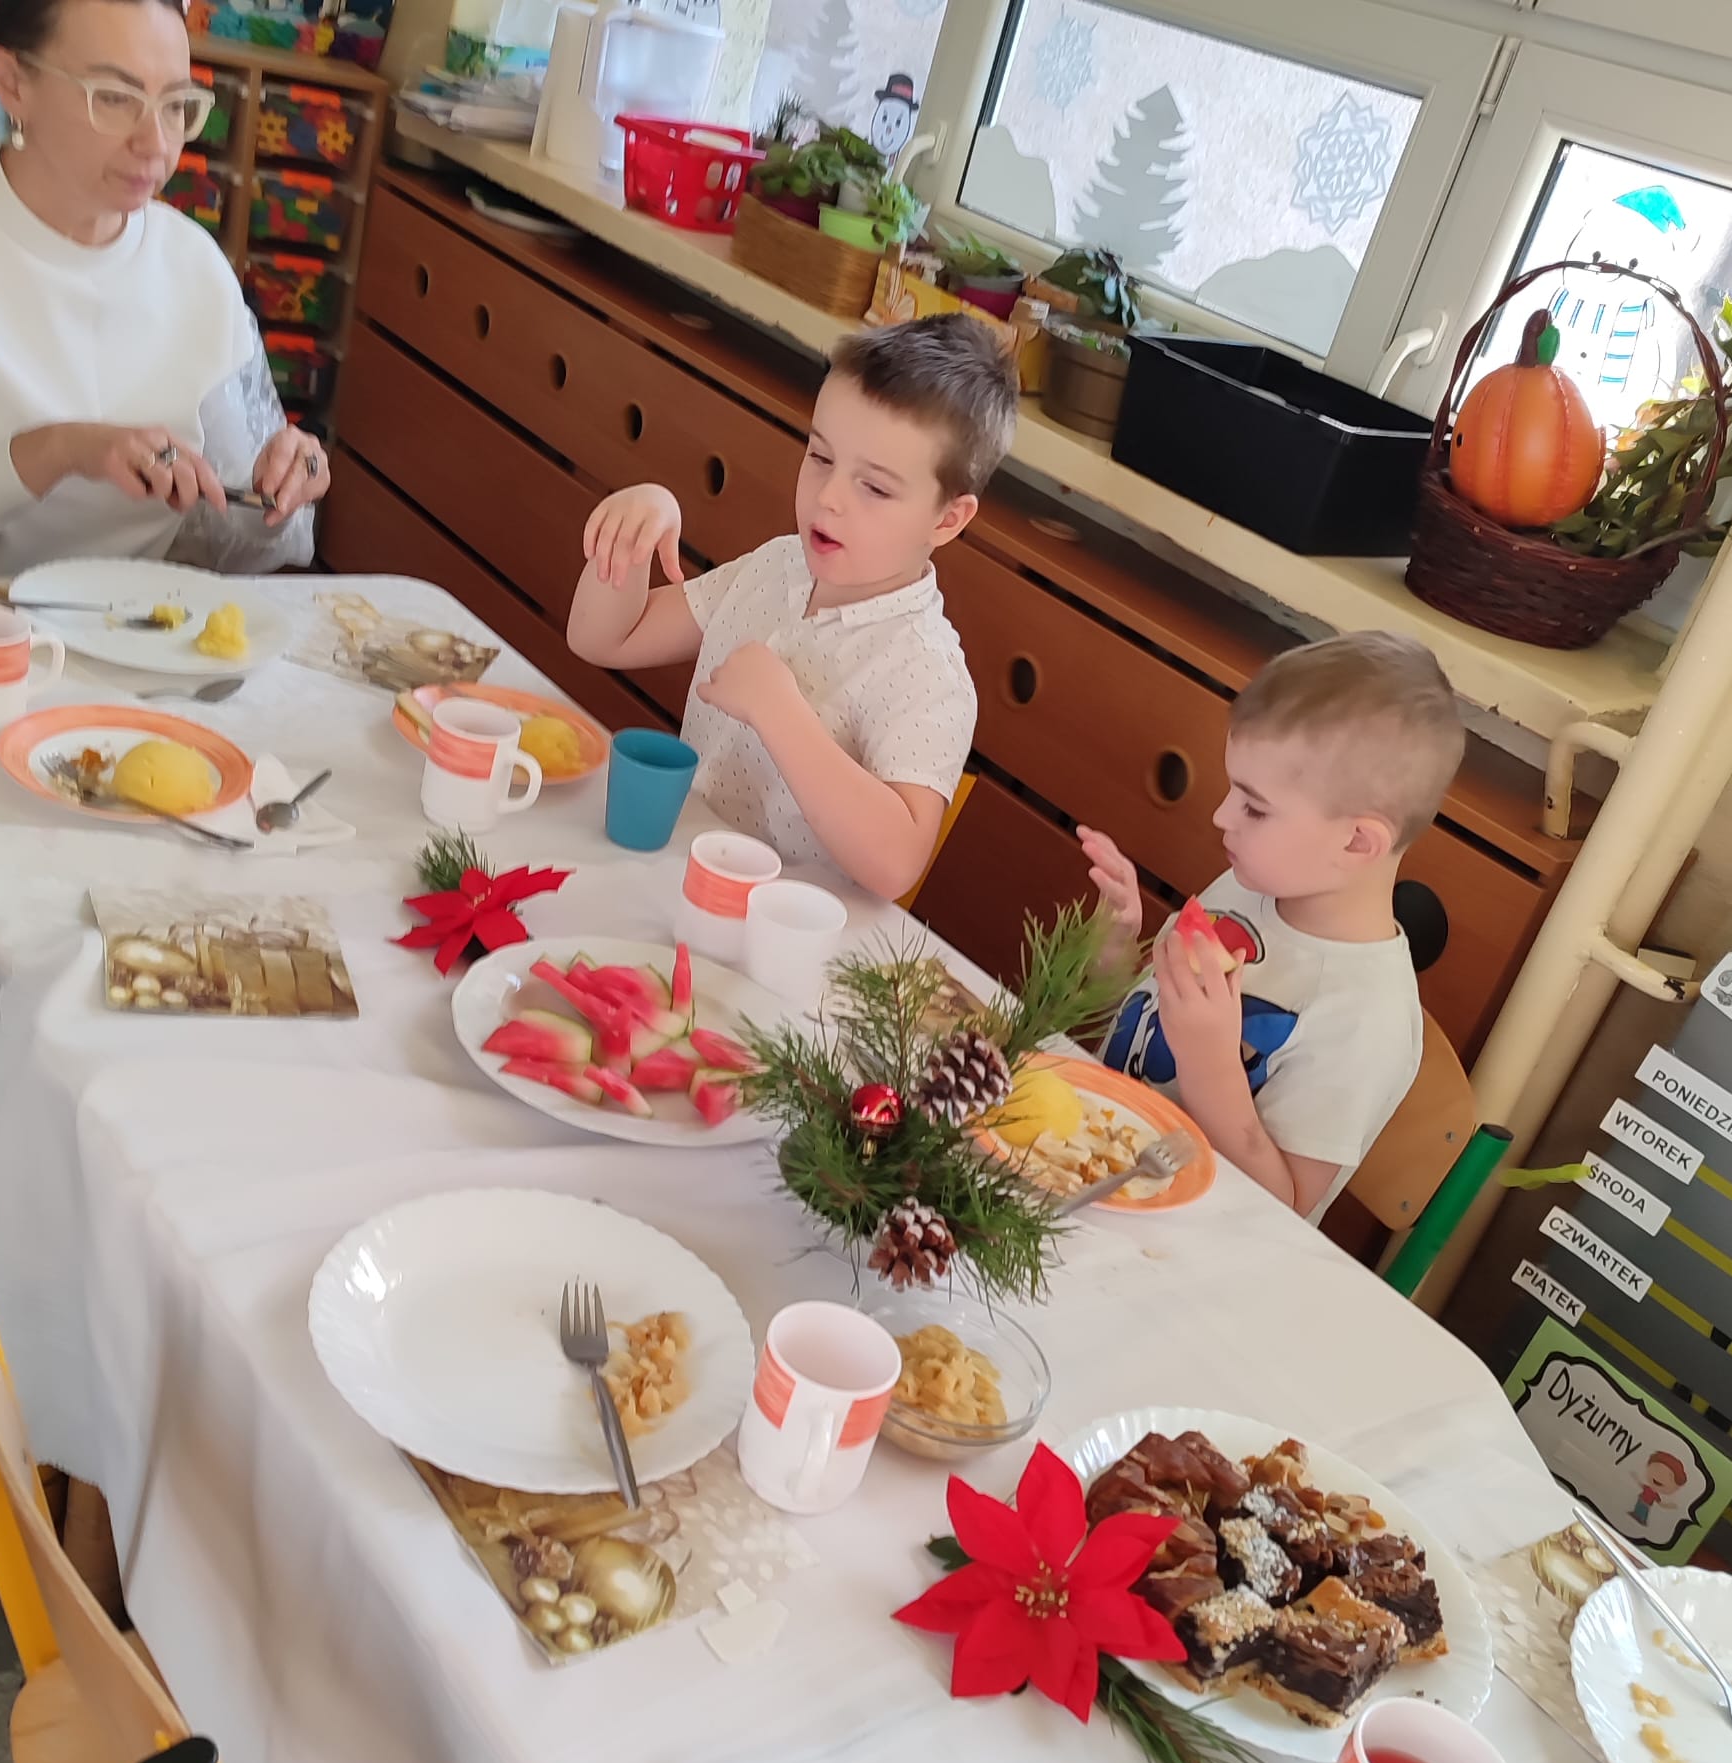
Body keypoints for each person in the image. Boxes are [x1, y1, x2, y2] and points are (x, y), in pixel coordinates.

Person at [0, 0, 330, 579]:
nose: (155, 142)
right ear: (12, 83)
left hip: (122, 615)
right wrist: (59, 451)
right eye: (114, 98)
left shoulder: (196, 268)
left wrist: (280, 492)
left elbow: (243, 544)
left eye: (176, 105)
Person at [565, 314, 1016, 901]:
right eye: (820, 457)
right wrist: (634, 534)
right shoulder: (776, 567)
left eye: (875, 488)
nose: (829, 497)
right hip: (679, 879)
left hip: (784, 933)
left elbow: (895, 864)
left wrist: (778, 710)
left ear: (948, 519)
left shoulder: (927, 674)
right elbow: (604, 638)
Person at [1079, 632, 1466, 1224]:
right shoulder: (1249, 888)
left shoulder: (1366, 1019)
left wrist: (1211, 1064)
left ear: (1356, 842)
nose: (1221, 816)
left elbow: (1281, 1208)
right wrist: (1114, 951)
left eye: (1254, 807)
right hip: (1087, 1170)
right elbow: (1134, 1040)